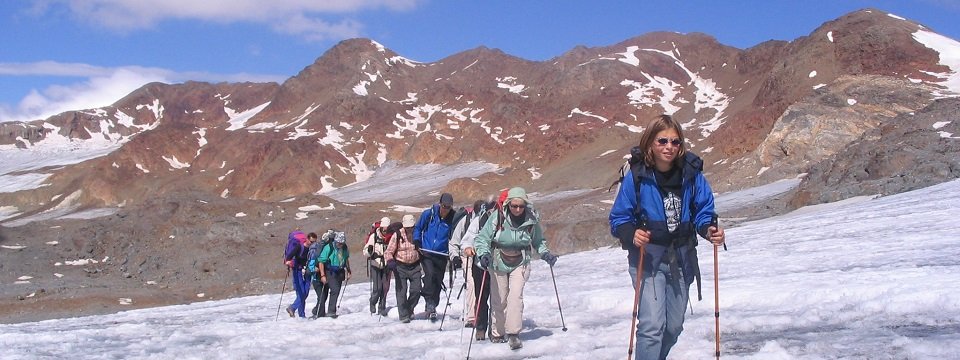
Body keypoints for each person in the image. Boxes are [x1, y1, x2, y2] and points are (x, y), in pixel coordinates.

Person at [609, 114, 726, 360]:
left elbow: (704, 211)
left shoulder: (691, 174)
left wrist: (709, 230)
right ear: (650, 142)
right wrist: (632, 234)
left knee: (673, 327)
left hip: (682, 259)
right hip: (648, 259)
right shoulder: (637, 176)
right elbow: (619, 217)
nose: (669, 147)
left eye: (675, 142)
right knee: (652, 326)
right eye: (662, 141)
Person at [475, 187, 558, 350]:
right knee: (499, 298)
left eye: (521, 206)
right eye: (514, 206)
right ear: (508, 204)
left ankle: (513, 333)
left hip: (521, 261)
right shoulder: (497, 217)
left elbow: (538, 241)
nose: (518, 209)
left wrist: (545, 253)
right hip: (498, 261)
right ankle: (497, 332)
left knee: (515, 296)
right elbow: (482, 239)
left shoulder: (531, 220)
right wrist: (483, 254)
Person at [454, 199, 497, 340]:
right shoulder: (478, 221)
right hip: (480, 265)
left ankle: (495, 328)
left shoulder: (503, 222)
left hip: (498, 266)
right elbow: (467, 239)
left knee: (498, 298)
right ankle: (481, 327)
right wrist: (467, 247)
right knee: (481, 296)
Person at [413, 192, 456, 321]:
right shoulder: (429, 214)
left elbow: (455, 234)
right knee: (430, 274)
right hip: (426, 251)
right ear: (439, 204)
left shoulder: (452, 218)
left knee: (437, 280)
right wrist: (416, 241)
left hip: (442, 254)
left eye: (448, 207)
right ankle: (428, 301)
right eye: (444, 206)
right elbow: (418, 228)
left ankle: (433, 305)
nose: (445, 209)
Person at [385, 214, 422, 323]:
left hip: (415, 265)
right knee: (401, 291)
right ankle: (404, 315)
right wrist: (390, 261)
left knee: (416, 289)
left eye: (411, 227)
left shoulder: (418, 233)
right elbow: (389, 251)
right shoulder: (397, 235)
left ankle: (409, 309)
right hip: (400, 266)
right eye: (407, 227)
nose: (409, 229)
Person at [316, 231, 352, 319]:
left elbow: (346, 259)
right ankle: (331, 311)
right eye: (339, 243)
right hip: (330, 271)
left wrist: (348, 270)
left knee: (337, 290)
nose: (340, 245)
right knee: (335, 290)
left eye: (342, 243)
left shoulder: (344, 248)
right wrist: (323, 275)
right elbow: (321, 261)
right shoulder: (329, 247)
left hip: (340, 271)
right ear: (336, 241)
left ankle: (321, 310)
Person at [364, 217, 392, 316]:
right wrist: (369, 251)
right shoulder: (374, 236)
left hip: (386, 265)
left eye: (387, 229)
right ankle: (373, 302)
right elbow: (365, 251)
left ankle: (382, 308)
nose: (385, 231)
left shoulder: (391, 236)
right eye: (384, 228)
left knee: (385, 288)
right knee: (377, 288)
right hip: (375, 264)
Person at [283, 230, 313, 318]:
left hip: (307, 270)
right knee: (301, 292)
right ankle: (297, 311)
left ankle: (297, 311)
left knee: (305, 292)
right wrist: (288, 262)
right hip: (297, 270)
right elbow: (289, 256)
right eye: (311, 241)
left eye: (314, 242)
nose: (312, 243)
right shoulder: (299, 247)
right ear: (307, 239)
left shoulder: (312, 249)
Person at [308, 230, 335, 319]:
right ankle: (320, 316)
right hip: (317, 278)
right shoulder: (316, 250)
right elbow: (311, 264)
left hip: (324, 276)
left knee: (324, 296)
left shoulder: (326, 249)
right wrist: (313, 269)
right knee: (322, 297)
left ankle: (316, 311)